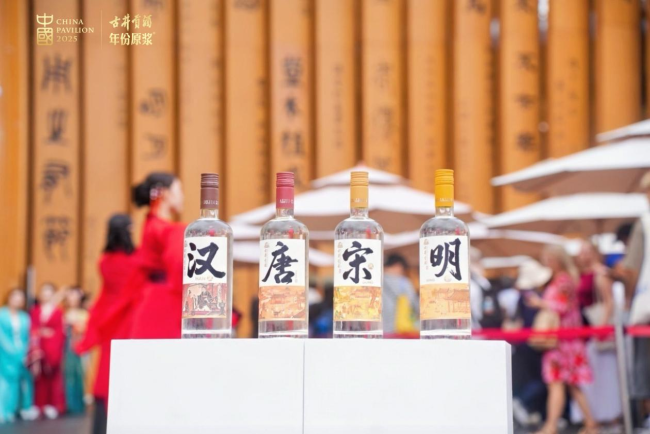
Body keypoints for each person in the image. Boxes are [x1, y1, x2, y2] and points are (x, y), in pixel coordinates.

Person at [101, 173, 185, 340]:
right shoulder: (162, 228)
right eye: (179, 190)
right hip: (162, 302)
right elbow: (178, 263)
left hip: (155, 299)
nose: (182, 196)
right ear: (165, 193)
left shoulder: (153, 225)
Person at [76, 214, 137, 434]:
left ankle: (101, 427)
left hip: (110, 320)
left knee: (106, 371)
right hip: (130, 318)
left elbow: (104, 295)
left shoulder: (105, 261)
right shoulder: (136, 259)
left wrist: (94, 327)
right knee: (130, 372)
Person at [527, 245, 596, 434]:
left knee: (558, 382)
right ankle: (589, 424)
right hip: (563, 339)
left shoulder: (563, 280)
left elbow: (562, 307)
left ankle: (552, 426)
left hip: (563, 340)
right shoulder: (562, 279)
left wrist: (540, 303)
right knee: (569, 384)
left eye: (549, 259)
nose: (547, 263)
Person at [572, 240, 621, 425]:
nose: (583, 255)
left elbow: (609, 301)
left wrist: (601, 326)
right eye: (581, 251)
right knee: (595, 377)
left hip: (597, 330)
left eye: (586, 251)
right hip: (586, 332)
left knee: (605, 375)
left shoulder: (600, 273)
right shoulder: (581, 274)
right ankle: (599, 418)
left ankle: (612, 417)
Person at [616, 171, 650, 426]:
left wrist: (628, 298)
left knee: (644, 363)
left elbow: (632, 269)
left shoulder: (645, 223)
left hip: (646, 305)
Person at [510, 260, 553, 428]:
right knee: (540, 380)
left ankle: (529, 407)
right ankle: (521, 401)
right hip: (532, 343)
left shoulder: (526, 296)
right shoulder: (532, 297)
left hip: (528, 342)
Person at [0, 288, 38, 423]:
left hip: (22, 353)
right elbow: (1, 336)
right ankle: (2, 410)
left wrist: (25, 351)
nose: (17, 300)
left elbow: (27, 336)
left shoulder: (24, 317)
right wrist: (12, 350)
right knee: (4, 381)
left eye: (20, 298)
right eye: (15, 297)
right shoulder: (2, 314)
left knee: (17, 382)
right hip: (4, 354)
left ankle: (12, 409)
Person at [30, 283, 66, 419]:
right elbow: (32, 328)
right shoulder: (35, 310)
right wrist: (40, 334)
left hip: (53, 347)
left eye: (49, 292)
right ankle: (38, 405)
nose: (46, 295)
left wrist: (53, 346)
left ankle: (53, 404)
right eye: (44, 292)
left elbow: (60, 332)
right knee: (39, 378)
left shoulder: (58, 311)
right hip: (39, 346)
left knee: (54, 376)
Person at [63, 286, 88, 415]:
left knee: (80, 374)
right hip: (65, 347)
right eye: (70, 295)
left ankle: (78, 404)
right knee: (67, 375)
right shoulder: (62, 312)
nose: (72, 298)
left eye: (75, 295)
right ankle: (67, 404)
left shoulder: (84, 313)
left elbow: (86, 330)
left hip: (80, 347)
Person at [382, 254, 419, 334]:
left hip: (380, 328)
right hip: (399, 329)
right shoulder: (403, 282)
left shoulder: (377, 282)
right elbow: (413, 302)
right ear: (398, 266)